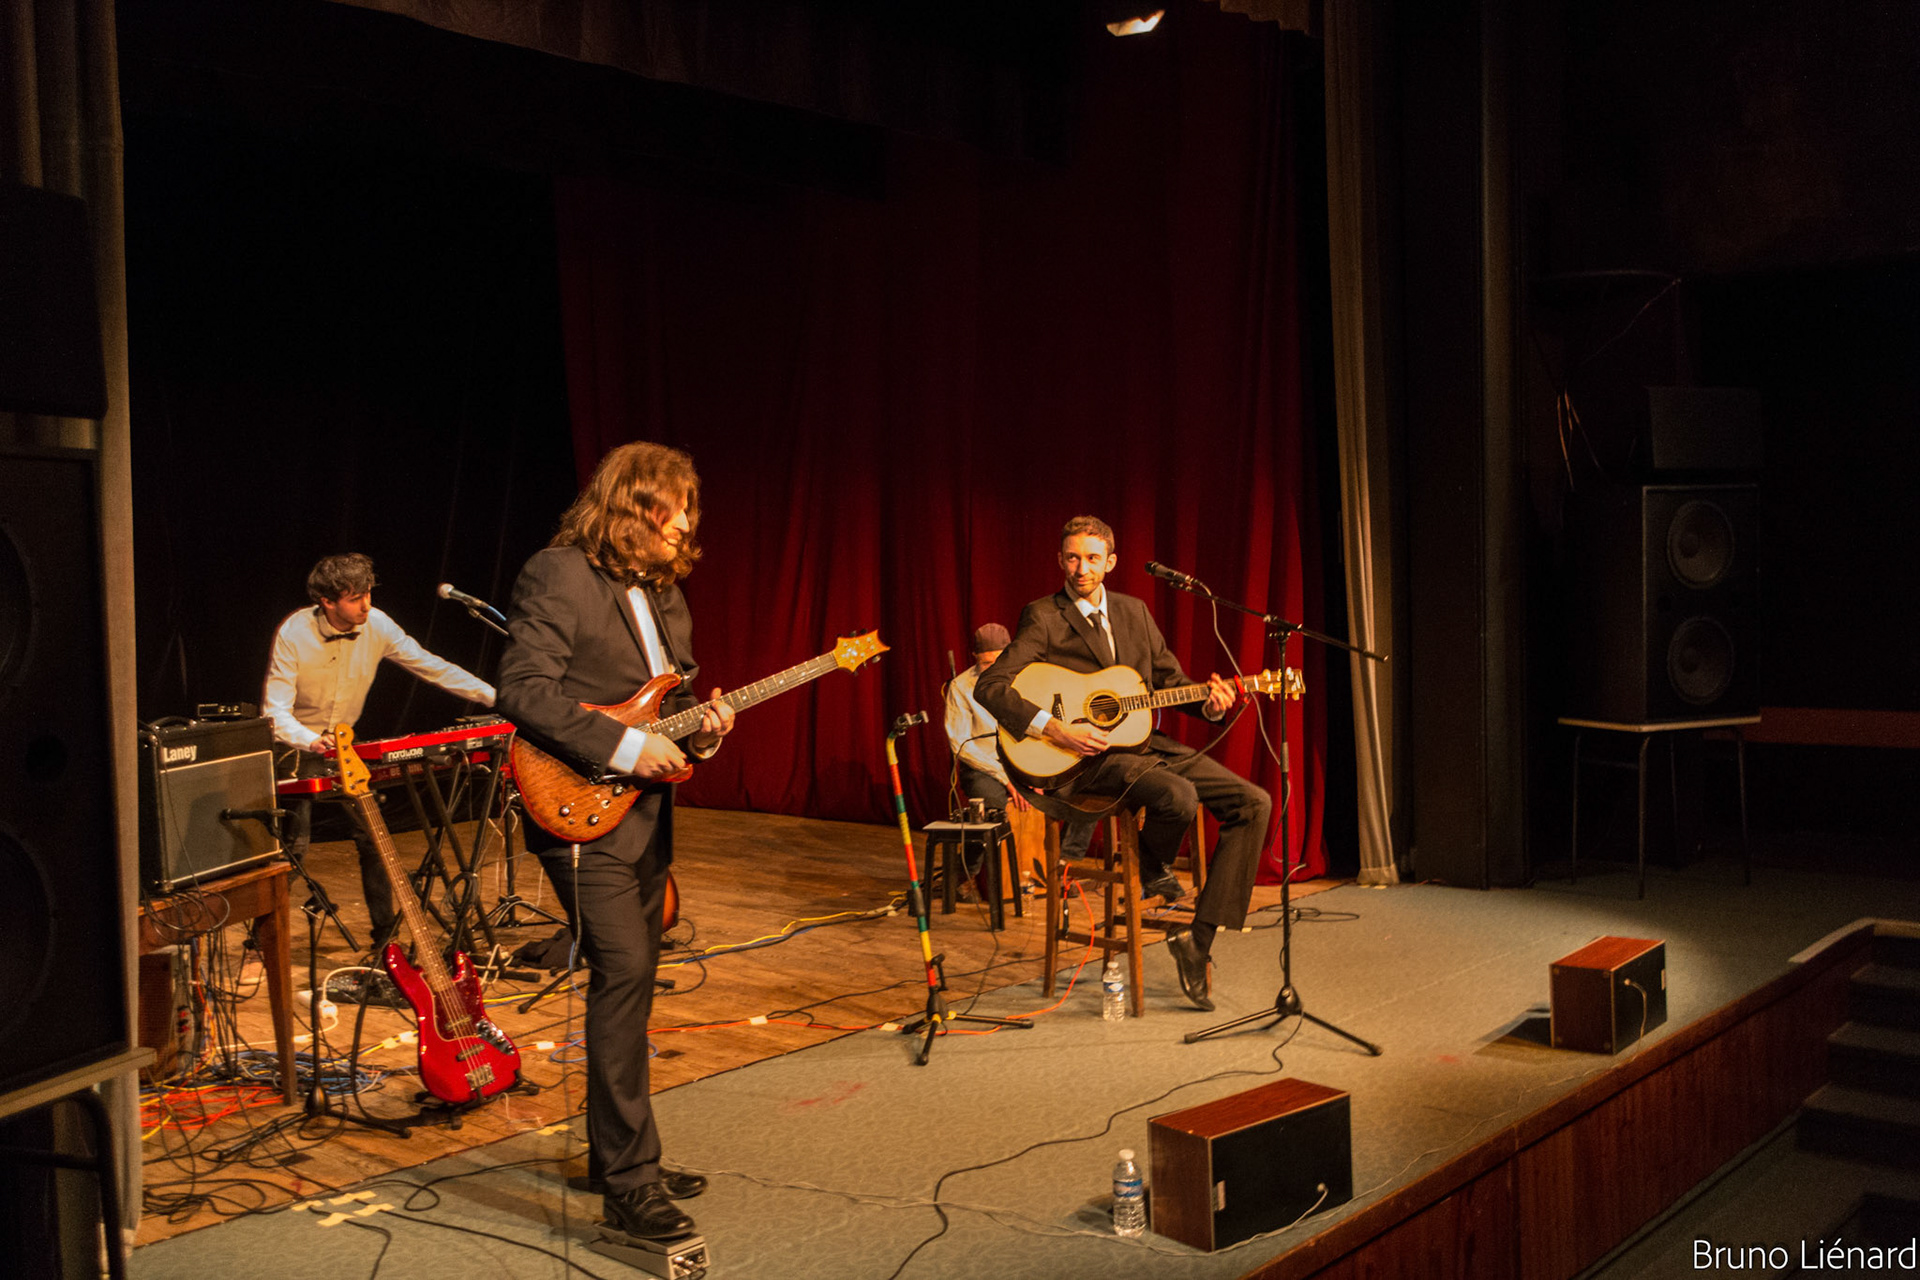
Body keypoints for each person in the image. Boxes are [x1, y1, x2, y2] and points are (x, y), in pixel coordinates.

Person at [493, 441, 734, 1243]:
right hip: (576, 806)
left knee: (631, 979)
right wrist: (626, 748)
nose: (687, 523)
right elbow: (522, 689)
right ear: (634, 505)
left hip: (646, 814)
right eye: (676, 507)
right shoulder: (559, 573)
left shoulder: (665, 593)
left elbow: (677, 704)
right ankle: (631, 1185)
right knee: (623, 972)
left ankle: (614, 1156)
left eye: (690, 508)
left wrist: (705, 733)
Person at [974, 515, 1271, 1011]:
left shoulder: (1134, 612)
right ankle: (1153, 866)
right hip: (1083, 760)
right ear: (1060, 560)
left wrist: (1210, 704)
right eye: (1073, 557)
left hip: (1144, 747)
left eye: (1092, 558)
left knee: (1254, 802)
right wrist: (1054, 728)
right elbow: (991, 686)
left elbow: (1170, 681)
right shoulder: (1043, 616)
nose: (1081, 569)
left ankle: (1197, 942)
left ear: (1110, 562)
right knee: (1178, 796)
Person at [263, 553, 495, 955]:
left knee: (373, 839)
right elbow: (274, 712)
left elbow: (431, 666)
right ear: (327, 601)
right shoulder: (294, 632)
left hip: (343, 747)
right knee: (292, 850)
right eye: (355, 598)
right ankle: (260, 943)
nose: (366, 605)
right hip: (295, 746)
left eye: (368, 593)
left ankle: (386, 941)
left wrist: (497, 697)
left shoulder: (378, 624)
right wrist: (311, 740)